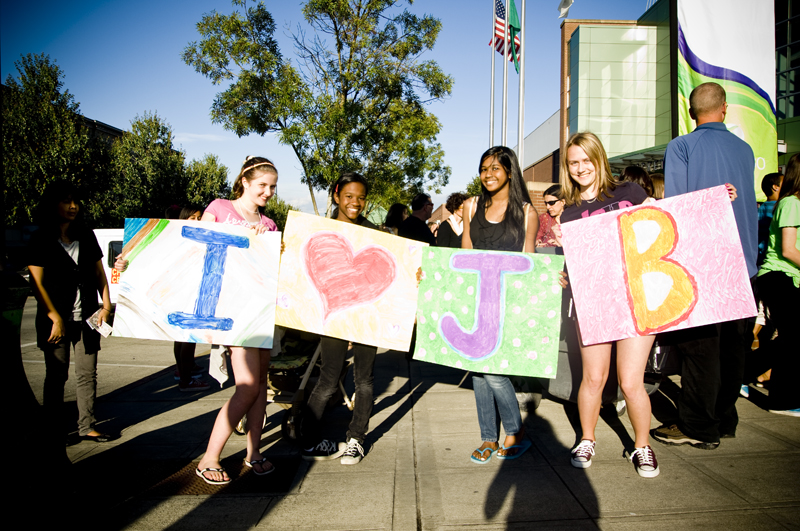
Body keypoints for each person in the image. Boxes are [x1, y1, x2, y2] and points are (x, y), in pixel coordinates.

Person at [652, 81, 757, 450]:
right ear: (724, 108)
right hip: (743, 264)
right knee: (732, 348)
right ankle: (725, 419)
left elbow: (679, 207)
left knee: (700, 350)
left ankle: (698, 425)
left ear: (691, 111)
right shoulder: (745, 150)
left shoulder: (682, 146)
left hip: (704, 262)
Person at [556, 132, 660, 478]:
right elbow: (576, 265)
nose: (581, 168)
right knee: (593, 378)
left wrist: (719, 200)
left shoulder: (630, 193)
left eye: (586, 160)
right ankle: (587, 438)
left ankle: (642, 446)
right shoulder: (569, 214)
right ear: (568, 168)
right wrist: (563, 274)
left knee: (631, 381)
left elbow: (664, 223)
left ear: (599, 160)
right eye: (574, 163)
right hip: (594, 304)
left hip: (636, 300)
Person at [195, 156, 279, 484]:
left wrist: (266, 243)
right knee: (245, 387)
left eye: (272, 186)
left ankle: (253, 452)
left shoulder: (270, 225)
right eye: (262, 185)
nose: (268, 192)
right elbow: (196, 251)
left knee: (259, 387)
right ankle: (209, 458)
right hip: (231, 313)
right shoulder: (219, 208)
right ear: (245, 182)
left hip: (261, 311)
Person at [461, 146, 539, 463]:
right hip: (474, 298)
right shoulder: (471, 206)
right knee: (478, 371)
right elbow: (463, 256)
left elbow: (529, 257)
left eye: (496, 168)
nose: (489, 174)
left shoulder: (526, 212)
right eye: (484, 168)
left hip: (506, 299)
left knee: (493, 370)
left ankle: (515, 430)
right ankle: (488, 437)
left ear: (509, 171)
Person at [300, 172, 381, 465]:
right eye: (348, 196)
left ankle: (356, 439)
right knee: (328, 380)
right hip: (332, 314)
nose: (355, 202)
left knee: (365, 381)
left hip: (365, 316)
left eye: (360, 197)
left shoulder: (376, 234)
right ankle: (309, 440)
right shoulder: (319, 230)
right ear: (336, 196)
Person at [27, 181, 114, 443]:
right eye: (66, 201)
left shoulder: (85, 235)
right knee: (56, 375)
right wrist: (54, 317)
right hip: (57, 320)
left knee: (87, 374)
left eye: (76, 201)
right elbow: (37, 283)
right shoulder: (40, 238)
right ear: (53, 204)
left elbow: (100, 273)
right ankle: (54, 430)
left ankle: (86, 425)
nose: (73, 206)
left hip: (87, 318)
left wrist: (106, 307)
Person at [756, 155, 800, 416]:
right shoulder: (791, 203)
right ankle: (782, 400)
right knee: (792, 337)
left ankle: (742, 372)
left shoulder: (793, 203)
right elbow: (788, 249)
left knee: (791, 338)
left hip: (787, 277)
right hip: (778, 276)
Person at [170, 205, 210, 392]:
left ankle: (183, 373)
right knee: (187, 339)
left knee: (181, 339)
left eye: (199, 217)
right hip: (187, 294)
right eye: (192, 218)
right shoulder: (184, 239)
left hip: (184, 293)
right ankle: (186, 380)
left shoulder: (178, 237)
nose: (197, 221)